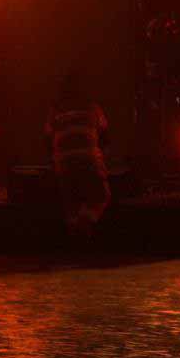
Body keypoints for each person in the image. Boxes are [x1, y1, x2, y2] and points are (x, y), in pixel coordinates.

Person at [46, 72, 110, 238]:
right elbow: (104, 135)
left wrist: (54, 160)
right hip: (89, 161)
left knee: (70, 202)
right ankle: (85, 224)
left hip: (64, 164)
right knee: (102, 195)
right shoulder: (93, 108)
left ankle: (74, 230)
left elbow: (48, 136)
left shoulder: (55, 110)